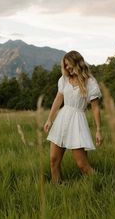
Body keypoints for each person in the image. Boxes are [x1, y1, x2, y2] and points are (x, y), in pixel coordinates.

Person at [43, 50, 103, 183]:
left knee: (82, 165)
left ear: (77, 62)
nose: (67, 68)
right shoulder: (64, 80)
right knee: (53, 161)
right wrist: (50, 119)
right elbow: (58, 100)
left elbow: (95, 107)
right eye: (65, 65)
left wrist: (98, 130)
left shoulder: (90, 82)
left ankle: (101, 183)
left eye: (69, 64)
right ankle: (56, 187)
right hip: (62, 119)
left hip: (77, 121)